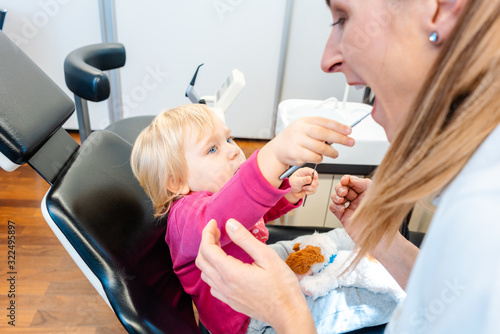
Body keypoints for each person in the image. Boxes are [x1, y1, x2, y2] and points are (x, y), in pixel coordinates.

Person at [196, 0, 500, 332]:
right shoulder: (476, 203)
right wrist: (383, 241)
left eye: (343, 18)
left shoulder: (483, 219)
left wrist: (286, 314)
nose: (328, 61)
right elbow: (445, 301)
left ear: (441, 9)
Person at [130, 103, 359, 333]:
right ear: (176, 182)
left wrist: (287, 193)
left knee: (331, 240)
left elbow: (250, 213)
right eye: (212, 149)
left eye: (228, 139)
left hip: (259, 273)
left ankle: (364, 243)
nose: (233, 150)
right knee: (342, 305)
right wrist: (274, 155)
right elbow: (223, 215)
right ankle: (383, 290)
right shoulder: (184, 216)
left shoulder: (221, 192)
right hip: (247, 321)